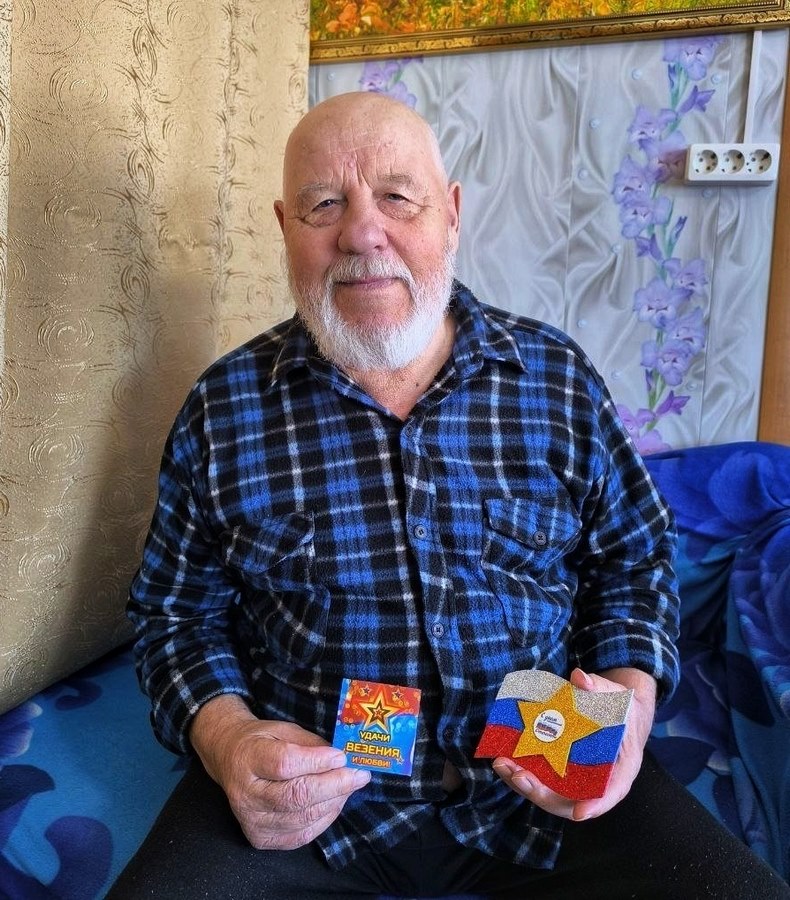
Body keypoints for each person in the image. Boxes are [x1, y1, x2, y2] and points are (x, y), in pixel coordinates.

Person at [109, 91, 789, 899]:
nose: (363, 234)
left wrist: (630, 705)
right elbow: (174, 614)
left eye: (398, 196)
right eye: (324, 205)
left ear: (452, 214)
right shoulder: (223, 409)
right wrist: (229, 742)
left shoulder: (554, 380)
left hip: (546, 766)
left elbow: (633, 562)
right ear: (286, 227)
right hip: (313, 794)